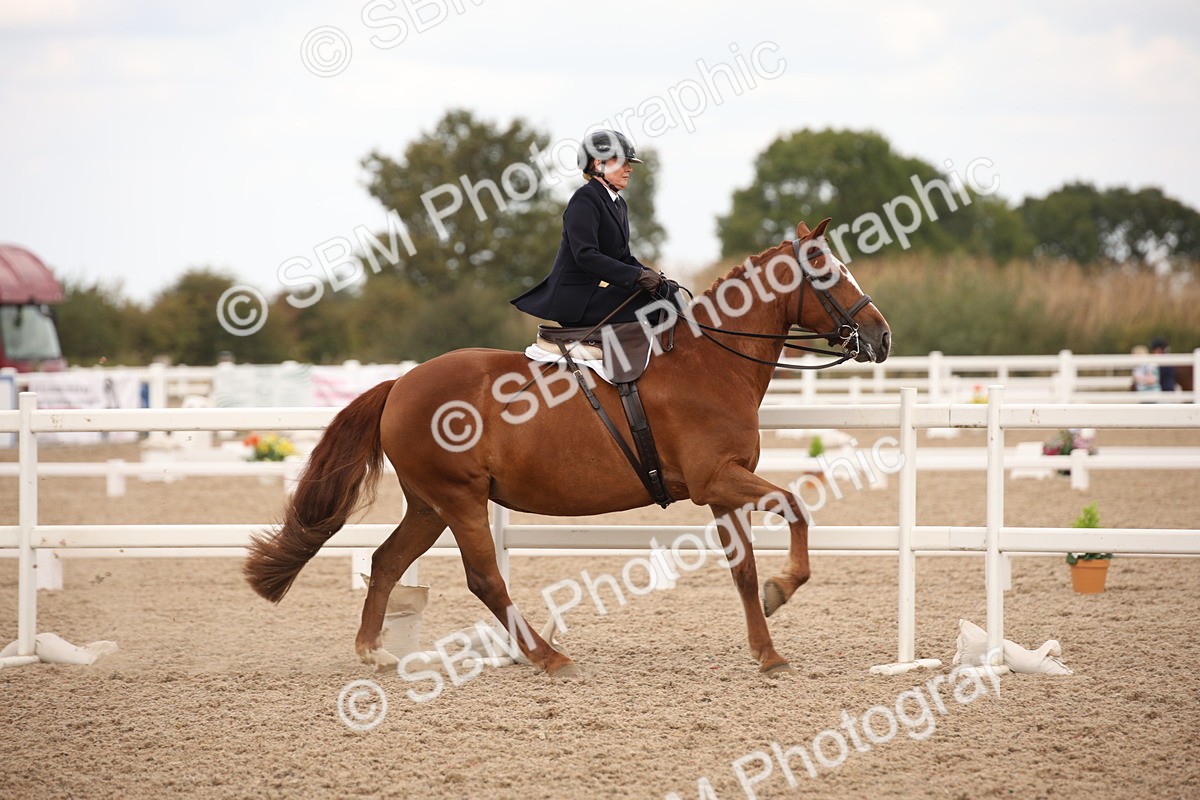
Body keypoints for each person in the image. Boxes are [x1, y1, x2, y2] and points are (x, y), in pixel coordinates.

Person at [511, 130, 678, 328]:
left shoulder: (619, 204)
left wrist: (653, 277)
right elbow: (586, 255)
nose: (629, 169)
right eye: (622, 162)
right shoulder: (585, 198)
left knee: (668, 293)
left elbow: (623, 258)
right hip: (575, 301)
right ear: (599, 164)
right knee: (656, 303)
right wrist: (638, 277)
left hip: (592, 295)